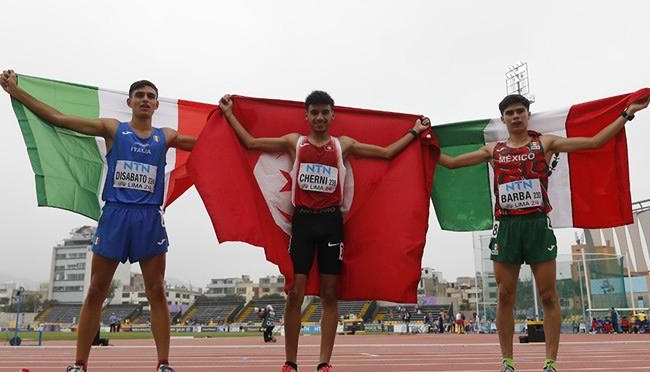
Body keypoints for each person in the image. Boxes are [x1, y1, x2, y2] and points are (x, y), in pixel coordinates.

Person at [219, 91, 429, 372]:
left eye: (324, 112)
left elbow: (388, 153)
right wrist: (230, 114)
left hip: (331, 223)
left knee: (330, 295)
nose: (319, 117)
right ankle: (290, 362)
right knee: (295, 293)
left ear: (333, 115)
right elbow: (250, 143)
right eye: (314, 112)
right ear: (306, 116)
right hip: (303, 223)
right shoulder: (296, 142)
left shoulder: (344, 145)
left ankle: (323, 363)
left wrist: (415, 132)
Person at [1, 70, 196, 372]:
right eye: (140, 96)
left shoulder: (166, 136)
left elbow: (209, 144)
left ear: (156, 105)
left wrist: (236, 124)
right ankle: (79, 363)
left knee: (156, 290)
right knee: (96, 291)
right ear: (130, 101)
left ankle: (163, 364)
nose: (145, 100)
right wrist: (16, 92)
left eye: (151, 97)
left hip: (149, 218)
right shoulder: (113, 129)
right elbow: (60, 119)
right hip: (115, 215)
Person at [437, 93, 649, 372]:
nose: (515, 116)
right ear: (503, 118)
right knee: (504, 295)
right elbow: (451, 163)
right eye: (510, 112)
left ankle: (550, 361)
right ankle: (507, 360)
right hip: (507, 227)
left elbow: (595, 142)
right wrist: (421, 143)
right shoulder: (493, 149)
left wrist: (626, 114)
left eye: (519, 111)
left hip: (538, 224)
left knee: (548, 295)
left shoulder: (545, 142)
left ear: (527, 115)